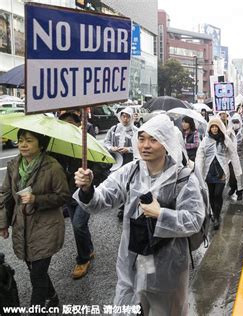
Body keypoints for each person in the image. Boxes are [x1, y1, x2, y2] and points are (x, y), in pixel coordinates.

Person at [74, 115, 205, 315]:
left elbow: (194, 220)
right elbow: (101, 200)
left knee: (166, 309)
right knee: (128, 305)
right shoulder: (130, 171)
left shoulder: (183, 178)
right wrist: (87, 189)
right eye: (142, 138)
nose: (145, 145)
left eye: (153, 139)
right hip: (133, 259)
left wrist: (160, 214)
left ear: (167, 142)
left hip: (168, 265)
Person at [0, 130, 69, 311]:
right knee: (33, 266)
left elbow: (63, 196)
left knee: (37, 275)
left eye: (29, 141)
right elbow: (5, 195)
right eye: (21, 140)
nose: (23, 144)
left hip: (46, 227)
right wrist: (3, 223)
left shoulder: (52, 167)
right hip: (22, 225)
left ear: (41, 145)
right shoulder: (14, 165)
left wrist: (36, 199)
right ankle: (52, 296)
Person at [56, 111, 109, 279]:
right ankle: (89, 249)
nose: (68, 127)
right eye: (64, 124)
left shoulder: (87, 143)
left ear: (78, 125)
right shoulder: (57, 146)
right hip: (68, 194)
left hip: (85, 194)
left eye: (71, 123)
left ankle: (83, 259)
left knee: (78, 225)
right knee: (78, 226)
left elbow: (103, 166)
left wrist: (90, 182)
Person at [195, 117, 242, 230]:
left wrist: (237, 171)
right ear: (209, 128)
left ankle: (217, 216)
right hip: (209, 172)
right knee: (210, 194)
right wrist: (198, 171)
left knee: (217, 194)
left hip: (221, 172)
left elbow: (233, 154)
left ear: (219, 128)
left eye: (216, 127)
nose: (214, 129)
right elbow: (200, 156)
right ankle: (214, 214)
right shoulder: (205, 140)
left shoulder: (225, 139)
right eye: (212, 127)